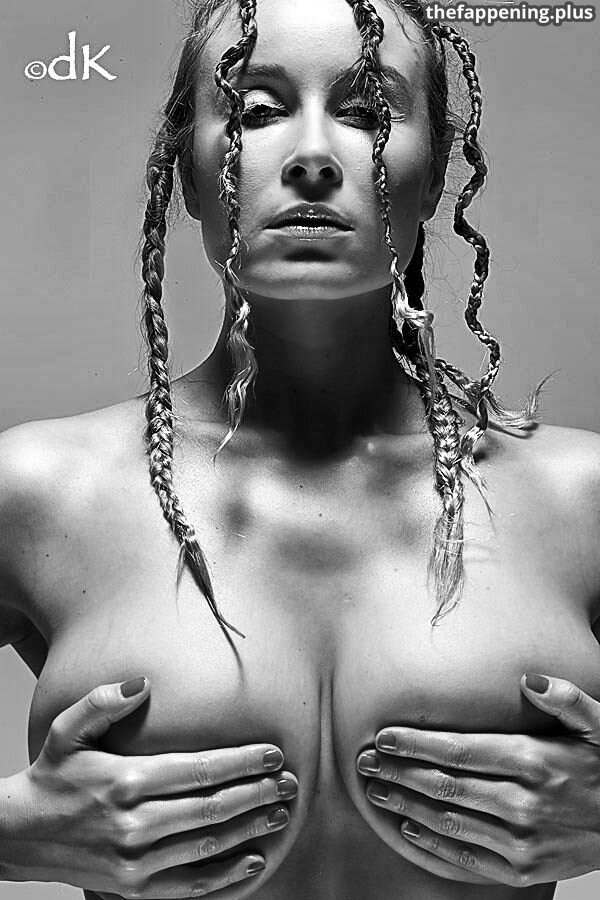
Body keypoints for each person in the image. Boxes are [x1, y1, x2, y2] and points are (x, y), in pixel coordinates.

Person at [1, 0, 600, 898]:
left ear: (435, 175)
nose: (313, 155)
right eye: (254, 110)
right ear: (189, 172)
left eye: (366, 111)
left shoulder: (583, 498)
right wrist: (14, 833)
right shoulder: (37, 492)